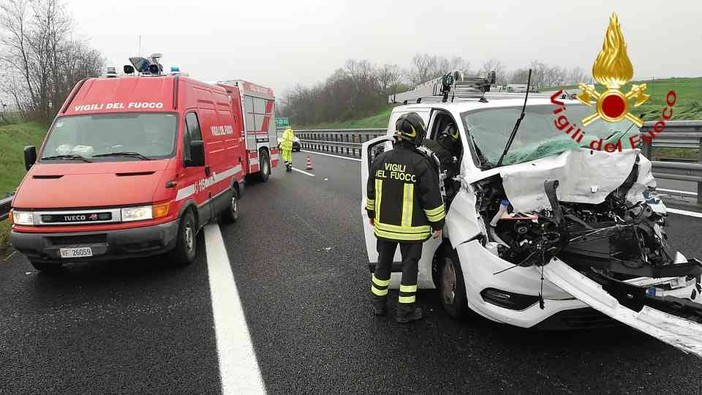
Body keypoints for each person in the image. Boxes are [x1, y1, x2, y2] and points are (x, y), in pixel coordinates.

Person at [365, 112, 446, 324]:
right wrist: (438, 224)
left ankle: (378, 304)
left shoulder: (380, 160)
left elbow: (371, 193)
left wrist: (372, 215)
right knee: (409, 267)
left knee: (383, 264)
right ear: (417, 135)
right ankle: (405, 311)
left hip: (384, 229)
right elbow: (432, 199)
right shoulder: (421, 164)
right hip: (412, 231)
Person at [421, 122, 462, 199]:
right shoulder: (446, 155)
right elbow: (448, 175)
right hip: (431, 190)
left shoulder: (425, 142)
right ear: (453, 140)